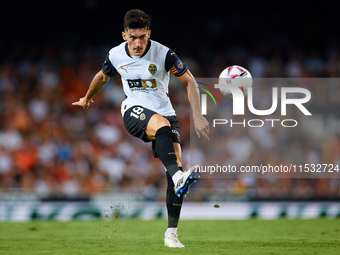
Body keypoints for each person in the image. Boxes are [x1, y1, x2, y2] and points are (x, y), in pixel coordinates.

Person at [73, 9, 209, 248]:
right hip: (133, 111)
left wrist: (197, 115)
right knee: (164, 131)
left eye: (142, 37)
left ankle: (171, 234)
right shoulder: (115, 55)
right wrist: (87, 97)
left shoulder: (164, 54)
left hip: (165, 112)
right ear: (124, 35)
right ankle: (179, 179)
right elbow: (102, 77)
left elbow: (190, 81)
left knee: (174, 166)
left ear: (149, 34)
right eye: (132, 37)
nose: (137, 43)